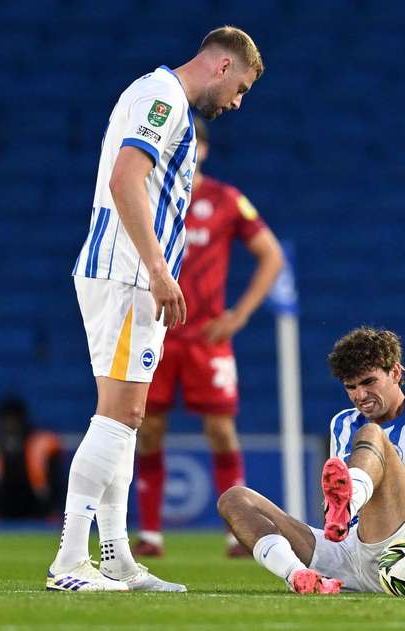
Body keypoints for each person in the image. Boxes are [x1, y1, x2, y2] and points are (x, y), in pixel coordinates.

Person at [48, 26, 263, 593]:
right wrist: (159, 270)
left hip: (124, 273)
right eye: (239, 88)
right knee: (118, 417)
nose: (237, 102)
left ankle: (117, 556)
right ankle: (70, 560)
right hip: (126, 274)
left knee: (129, 418)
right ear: (221, 67)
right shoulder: (164, 100)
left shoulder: (152, 94)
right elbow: (126, 180)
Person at [218, 327, 405, 594]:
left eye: (368, 382)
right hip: (348, 551)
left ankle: (346, 505)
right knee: (235, 499)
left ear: (395, 372)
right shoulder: (341, 424)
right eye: (350, 387)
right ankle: (299, 576)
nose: (360, 395)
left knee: (372, 434)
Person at [133, 117, 284, 559]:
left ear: (204, 149)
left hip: (206, 337)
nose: (188, 152)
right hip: (158, 328)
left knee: (220, 430)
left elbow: (271, 255)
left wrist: (238, 315)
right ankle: (151, 536)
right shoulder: (152, 197)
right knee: (150, 429)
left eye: (193, 144)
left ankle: (238, 533)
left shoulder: (227, 199)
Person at [0, 397, 63, 519]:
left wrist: (50, 507)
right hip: (2, 504)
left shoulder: (40, 442)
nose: (11, 424)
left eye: (14, 419)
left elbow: (55, 481)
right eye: (7, 419)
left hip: (36, 504)